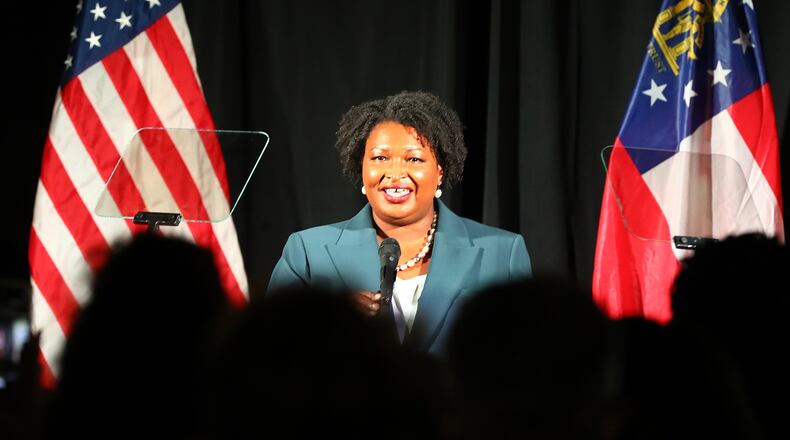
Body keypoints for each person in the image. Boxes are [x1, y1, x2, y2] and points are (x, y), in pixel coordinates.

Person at [268, 90, 531, 354]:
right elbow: (268, 350)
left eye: (413, 159)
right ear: (361, 167)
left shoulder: (503, 253)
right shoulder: (308, 253)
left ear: (440, 171)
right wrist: (329, 324)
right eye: (380, 158)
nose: (394, 174)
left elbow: (527, 357)